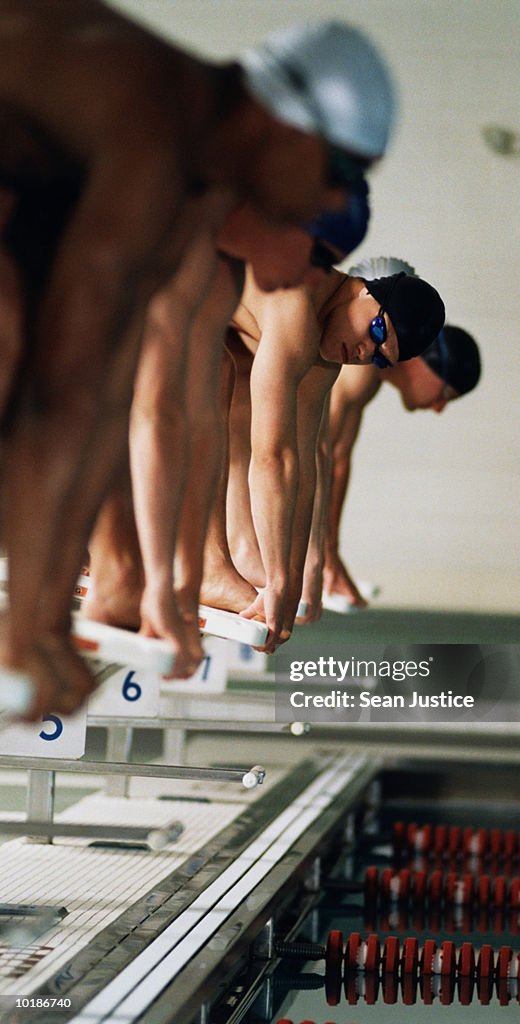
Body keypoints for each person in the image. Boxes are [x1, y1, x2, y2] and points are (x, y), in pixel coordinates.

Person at [0, 3, 396, 718]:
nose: (334, 199)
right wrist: (28, 626)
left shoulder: (193, 200)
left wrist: (55, 620)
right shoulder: (154, 139)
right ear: (286, 123)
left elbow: (113, 400)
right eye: (340, 172)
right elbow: (65, 395)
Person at [84, 181, 372, 679]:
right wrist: (157, 583)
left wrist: (191, 580)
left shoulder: (227, 271)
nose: (311, 277)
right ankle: (109, 556)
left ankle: (206, 561)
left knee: (212, 377)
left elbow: (296, 454)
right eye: (315, 259)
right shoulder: (193, 228)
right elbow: (158, 416)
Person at [222, 268, 446, 652]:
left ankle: (228, 552)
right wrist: (278, 581)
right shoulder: (297, 311)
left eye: (379, 358)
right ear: (365, 292)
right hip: (138, 281)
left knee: (229, 379)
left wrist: (296, 575)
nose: (364, 352)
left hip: (195, 306)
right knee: (212, 380)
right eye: (377, 333)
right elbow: (272, 456)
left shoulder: (325, 359)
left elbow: (303, 459)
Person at [323, 256, 481, 610]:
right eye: (445, 394)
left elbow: (336, 461)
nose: (439, 407)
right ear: (426, 362)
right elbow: (315, 459)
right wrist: (318, 561)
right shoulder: (359, 370)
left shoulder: (370, 376)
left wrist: (328, 557)